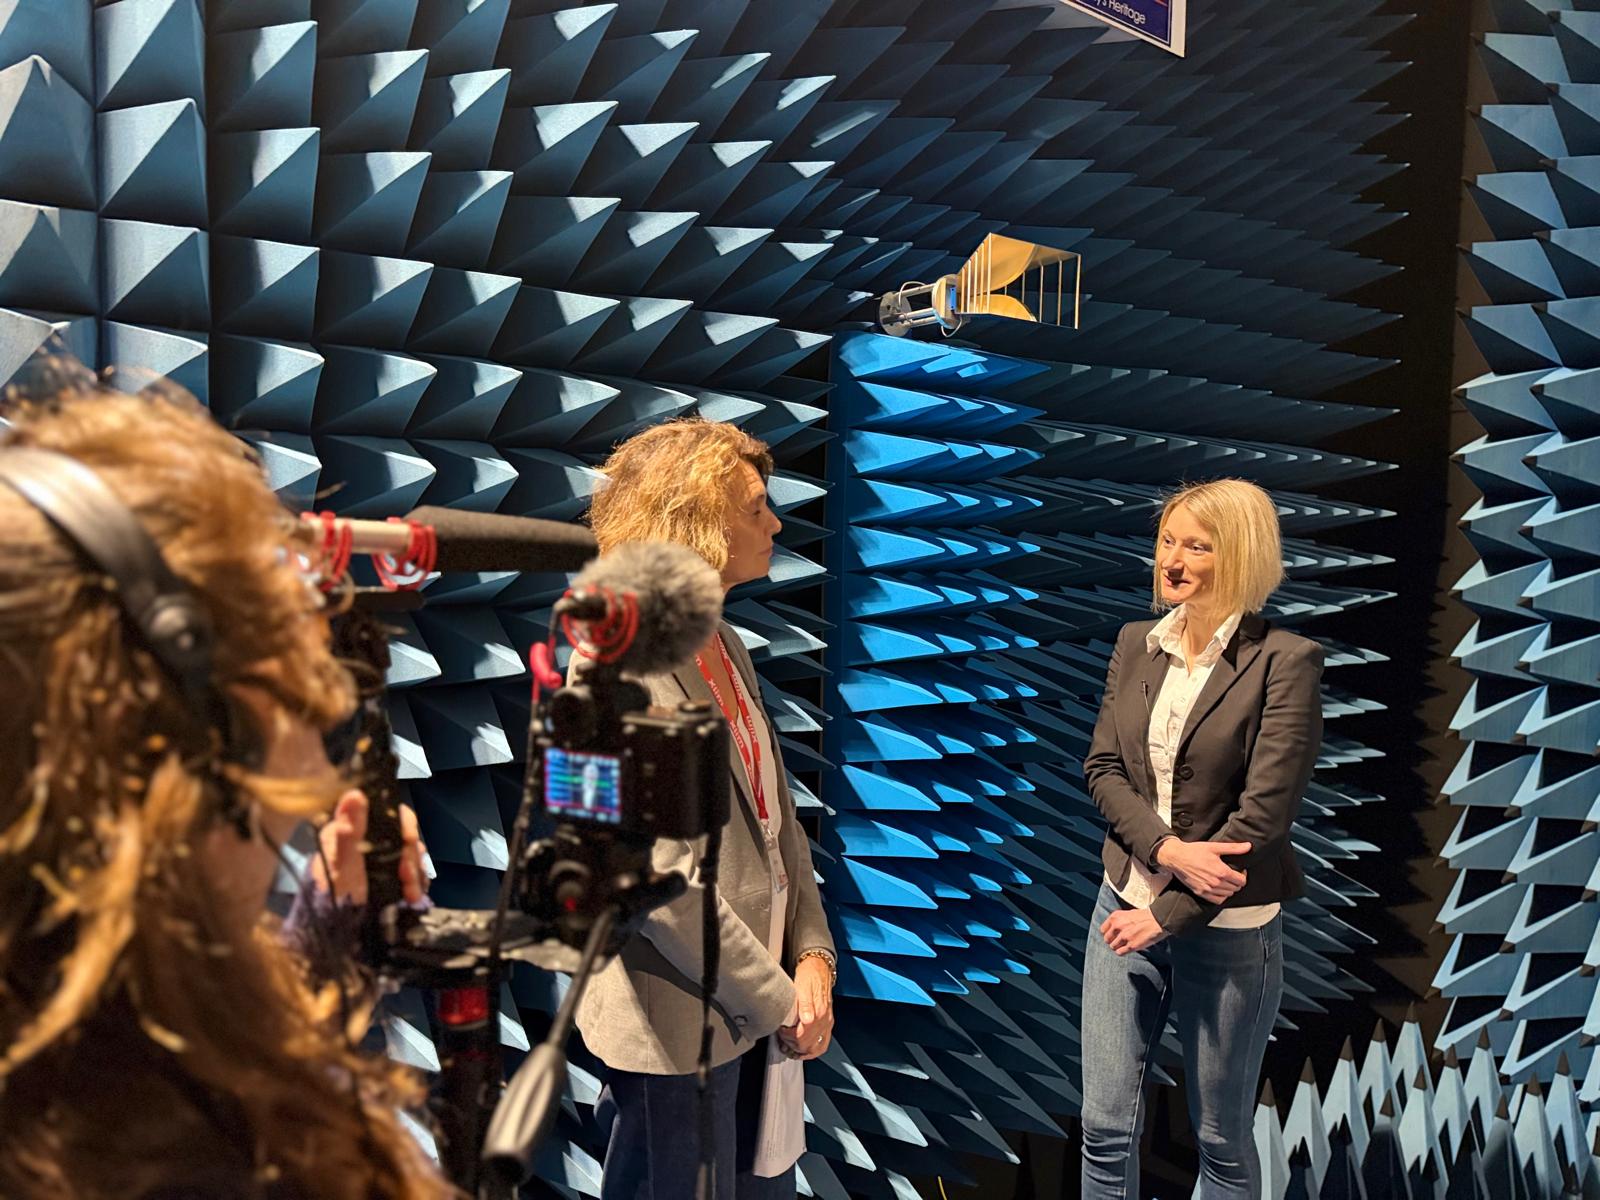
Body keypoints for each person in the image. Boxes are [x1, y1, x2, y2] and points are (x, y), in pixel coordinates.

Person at [0, 374, 448, 1200]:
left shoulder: (66, 1050)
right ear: (204, 737)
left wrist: (323, 947)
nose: (321, 745)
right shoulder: (197, 1164)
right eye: (299, 689)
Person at [576, 418, 836, 1200]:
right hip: (676, 1027)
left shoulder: (726, 645)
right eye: (756, 508)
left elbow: (777, 821)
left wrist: (813, 954)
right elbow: (652, 879)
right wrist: (779, 997)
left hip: (755, 1008)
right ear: (693, 521)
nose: (776, 524)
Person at [1079, 478, 1324, 1199]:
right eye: (1167, 541)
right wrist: (1164, 852)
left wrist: (1167, 915)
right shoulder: (1137, 643)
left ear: (1240, 556)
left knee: (1219, 1138)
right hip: (1121, 905)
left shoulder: (1286, 660)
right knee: (1102, 1128)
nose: (1172, 560)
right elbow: (1102, 768)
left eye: (1196, 546)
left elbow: (1264, 818)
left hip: (1227, 928)